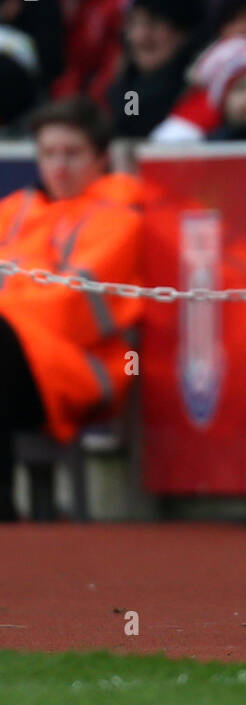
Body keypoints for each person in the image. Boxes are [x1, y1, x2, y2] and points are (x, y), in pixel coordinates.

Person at [0, 96, 145, 520]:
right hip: (21, 365)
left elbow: (69, 310)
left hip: (84, 373)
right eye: (48, 154)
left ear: (101, 157)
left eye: (72, 153)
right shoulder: (15, 211)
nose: (59, 166)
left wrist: (10, 306)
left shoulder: (119, 215)